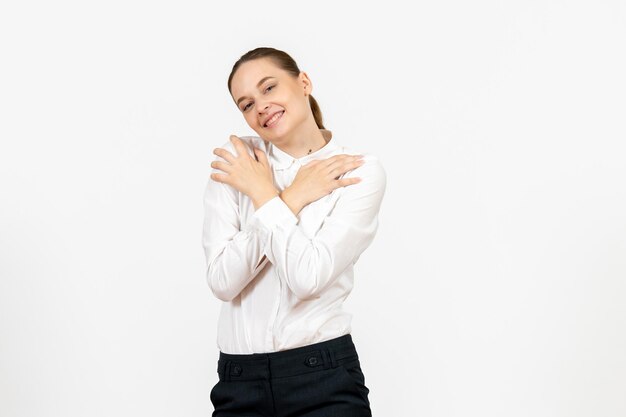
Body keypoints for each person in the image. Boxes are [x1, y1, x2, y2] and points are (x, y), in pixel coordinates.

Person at [202, 46, 386, 417]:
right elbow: (222, 280)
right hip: (239, 382)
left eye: (269, 88)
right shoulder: (238, 163)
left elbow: (307, 277)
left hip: (324, 377)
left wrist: (264, 197)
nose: (260, 107)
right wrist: (290, 197)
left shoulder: (357, 172)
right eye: (246, 104)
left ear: (303, 82)